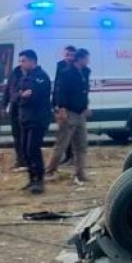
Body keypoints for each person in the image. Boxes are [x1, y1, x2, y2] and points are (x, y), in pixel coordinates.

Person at [46, 48, 91, 185]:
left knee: (81, 145)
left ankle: (80, 173)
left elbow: (84, 92)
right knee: (62, 143)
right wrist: (61, 108)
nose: (88, 61)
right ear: (80, 59)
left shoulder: (85, 72)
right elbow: (61, 92)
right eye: (87, 58)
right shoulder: (67, 73)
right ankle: (50, 170)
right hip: (69, 112)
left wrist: (85, 107)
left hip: (80, 113)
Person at [14, 49, 52, 193]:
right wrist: (21, 95)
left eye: (23, 61)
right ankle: (31, 178)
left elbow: (35, 97)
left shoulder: (41, 77)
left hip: (37, 118)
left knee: (32, 149)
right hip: (24, 118)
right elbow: (15, 96)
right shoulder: (23, 77)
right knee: (24, 150)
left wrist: (24, 96)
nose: (20, 64)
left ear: (32, 61)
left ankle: (39, 180)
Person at [53, 45, 77, 167]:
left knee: (71, 133)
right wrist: (55, 104)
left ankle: (72, 157)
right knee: (63, 132)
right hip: (61, 105)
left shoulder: (77, 68)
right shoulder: (60, 65)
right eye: (67, 54)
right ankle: (67, 156)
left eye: (71, 55)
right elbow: (57, 86)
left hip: (72, 106)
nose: (69, 57)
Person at [1, 63, 26, 171]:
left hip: (25, 109)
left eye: (24, 60)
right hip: (14, 108)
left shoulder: (33, 75)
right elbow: (7, 90)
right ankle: (20, 160)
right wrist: (3, 106)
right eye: (21, 60)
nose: (21, 63)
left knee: (25, 136)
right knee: (16, 136)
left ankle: (26, 160)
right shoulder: (14, 73)